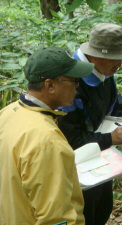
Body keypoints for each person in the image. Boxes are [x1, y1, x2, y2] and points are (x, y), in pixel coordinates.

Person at [58, 23, 122, 225]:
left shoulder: (104, 73)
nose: (119, 64)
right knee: (84, 213)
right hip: (75, 163)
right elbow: (70, 138)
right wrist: (109, 138)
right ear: (94, 57)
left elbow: (116, 107)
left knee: (103, 206)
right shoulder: (71, 83)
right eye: (115, 59)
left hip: (100, 156)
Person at [0, 47, 94, 225]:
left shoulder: (8, 113)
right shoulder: (47, 140)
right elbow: (55, 217)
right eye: (74, 81)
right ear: (50, 85)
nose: (77, 86)